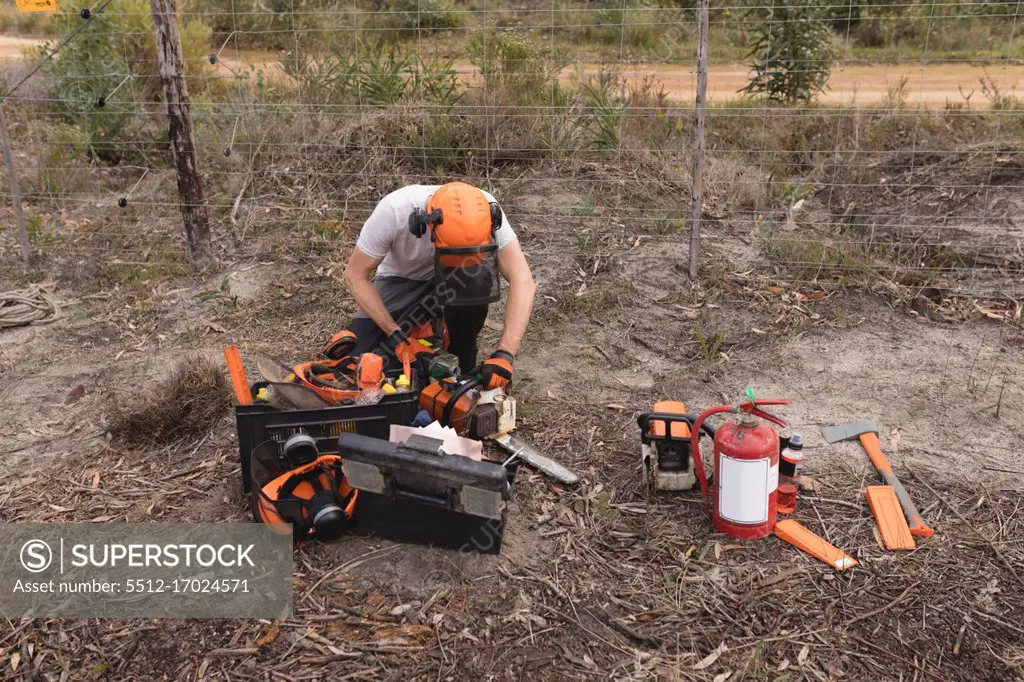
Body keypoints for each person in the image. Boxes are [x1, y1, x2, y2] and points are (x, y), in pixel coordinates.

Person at [335, 182, 535, 390]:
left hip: (459, 281)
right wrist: (395, 334)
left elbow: (523, 280)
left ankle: (461, 357)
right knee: (364, 359)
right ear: (427, 226)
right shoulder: (394, 211)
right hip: (402, 280)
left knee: (475, 280)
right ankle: (414, 338)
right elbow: (355, 276)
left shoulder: (487, 211)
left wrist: (505, 354)